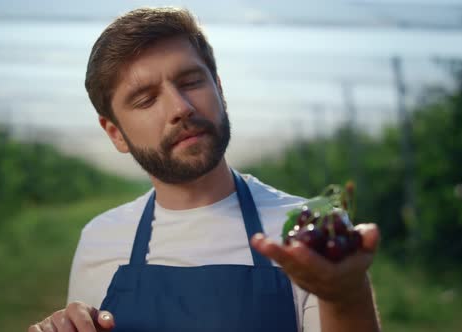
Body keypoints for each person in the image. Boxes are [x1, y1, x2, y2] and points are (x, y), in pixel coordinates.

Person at [29, 6, 381, 332]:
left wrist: (347, 295)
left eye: (191, 82)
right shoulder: (99, 240)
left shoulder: (305, 232)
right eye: (146, 99)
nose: (180, 107)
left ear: (219, 89)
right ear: (116, 133)